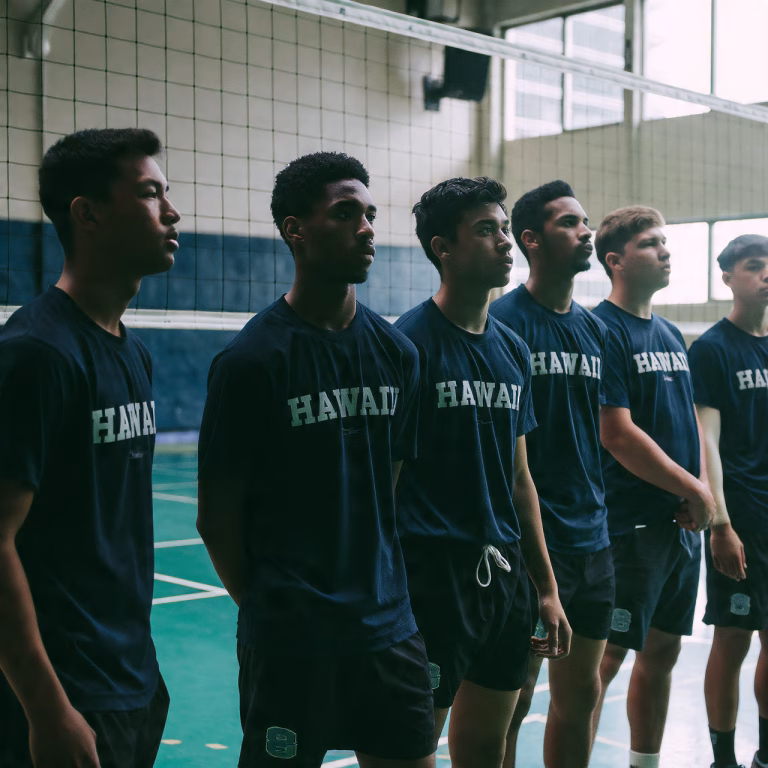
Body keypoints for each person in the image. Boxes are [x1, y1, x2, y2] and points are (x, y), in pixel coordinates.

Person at [197, 152, 435, 768]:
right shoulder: (251, 362)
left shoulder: (399, 354)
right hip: (292, 643)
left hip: (389, 629)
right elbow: (216, 517)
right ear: (295, 229)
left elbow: (389, 483)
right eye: (346, 213)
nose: (367, 228)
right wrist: (273, 609)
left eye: (370, 214)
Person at [0, 128, 180, 767]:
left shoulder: (132, 352)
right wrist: (47, 711)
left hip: (129, 677)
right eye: (151, 193)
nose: (172, 211)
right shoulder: (36, 356)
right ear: (88, 212)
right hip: (64, 691)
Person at [394, 177, 571, 767]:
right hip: (432, 579)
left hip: (504, 578)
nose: (504, 242)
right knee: (415, 741)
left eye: (504, 228)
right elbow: (385, 485)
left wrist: (545, 587)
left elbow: (521, 481)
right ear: (443, 247)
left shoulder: (513, 350)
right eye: (485, 230)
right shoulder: (407, 347)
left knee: (488, 744)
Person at [489, 181, 615, 768]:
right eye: (570, 223)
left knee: (582, 691)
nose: (586, 230)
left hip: (593, 537)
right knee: (510, 702)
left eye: (586, 221)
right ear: (531, 240)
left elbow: (605, 432)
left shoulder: (595, 329)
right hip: (531, 540)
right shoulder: (504, 324)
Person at [591, 205, 714, 768]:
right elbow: (617, 434)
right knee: (603, 659)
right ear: (616, 260)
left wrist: (699, 494)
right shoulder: (601, 329)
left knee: (662, 651)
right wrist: (694, 487)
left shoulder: (668, 332)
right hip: (628, 526)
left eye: (667, 241)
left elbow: (688, 426)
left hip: (679, 527)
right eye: (650, 243)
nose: (665, 251)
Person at [689, 235, 768, 768]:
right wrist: (720, 523)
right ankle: (722, 758)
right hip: (743, 515)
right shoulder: (713, 349)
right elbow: (706, 441)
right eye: (754, 267)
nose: (765, 275)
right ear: (728, 278)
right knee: (734, 638)